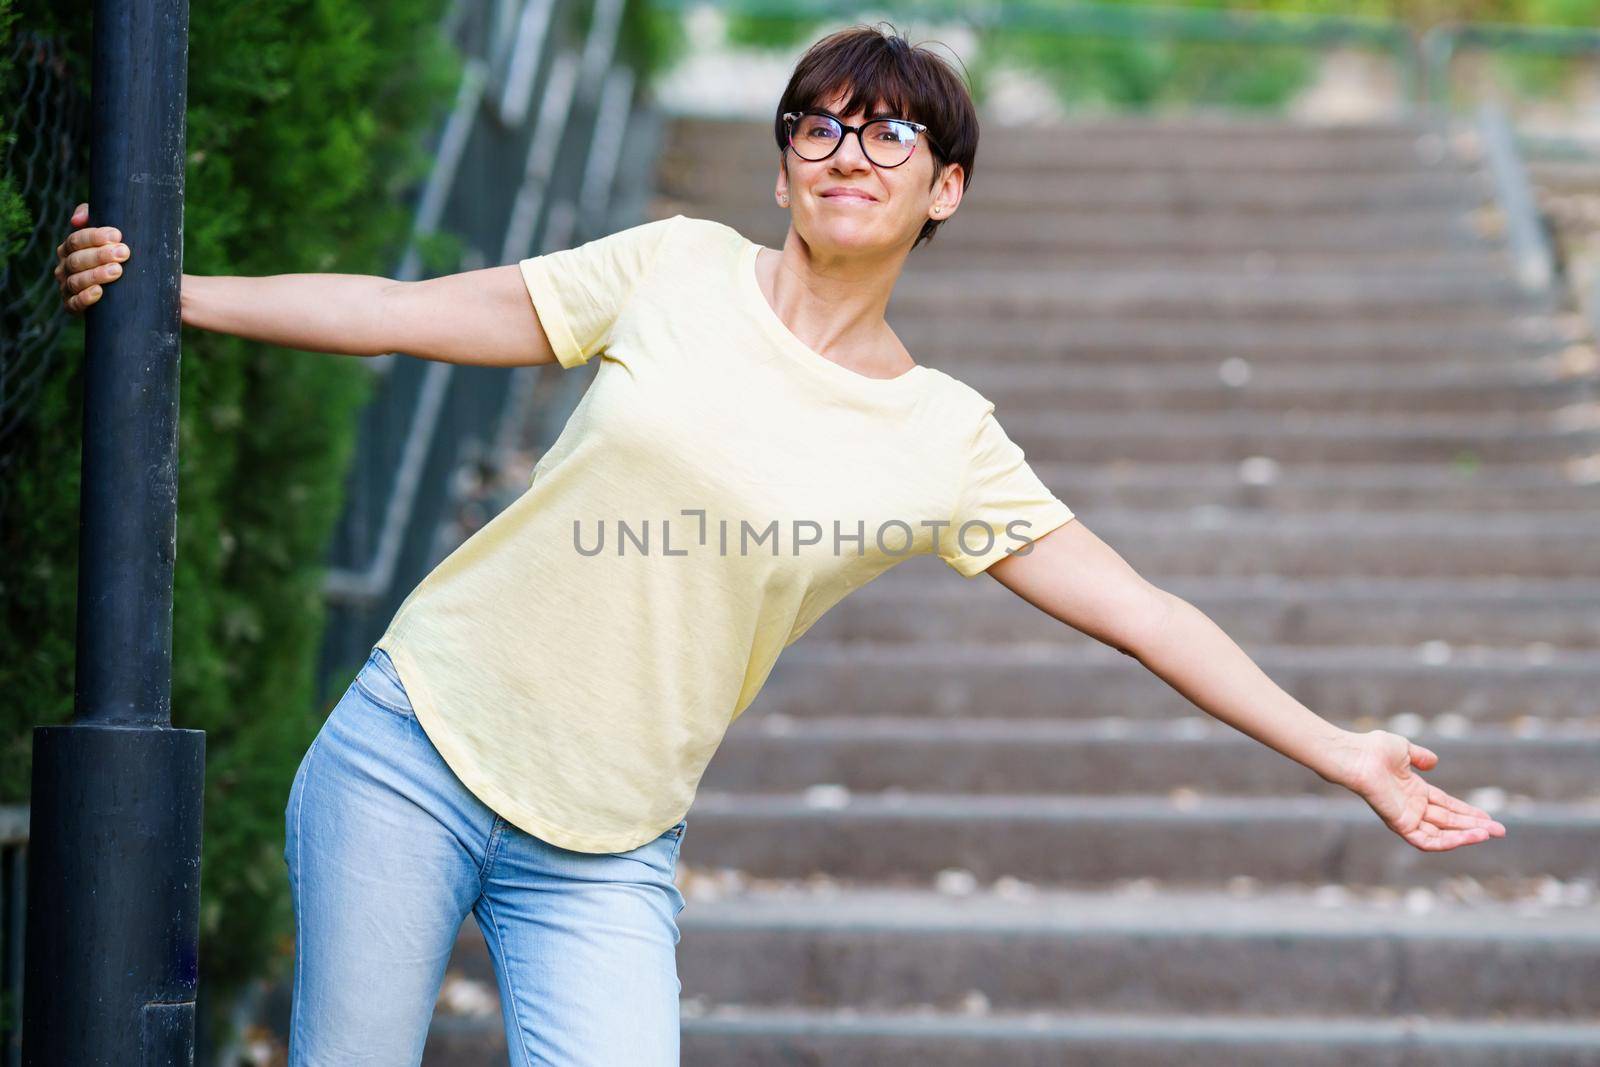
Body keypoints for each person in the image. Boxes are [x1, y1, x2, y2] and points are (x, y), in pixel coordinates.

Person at [54, 22, 1508, 1067]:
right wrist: (173, 287)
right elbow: (402, 307)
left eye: (890, 130)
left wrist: (1343, 752)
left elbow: (1142, 608)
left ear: (946, 190)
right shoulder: (675, 271)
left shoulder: (943, 433)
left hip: (608, 849)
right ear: (782, 170)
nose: (845, 148)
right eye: (816, 123)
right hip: (414, 751)